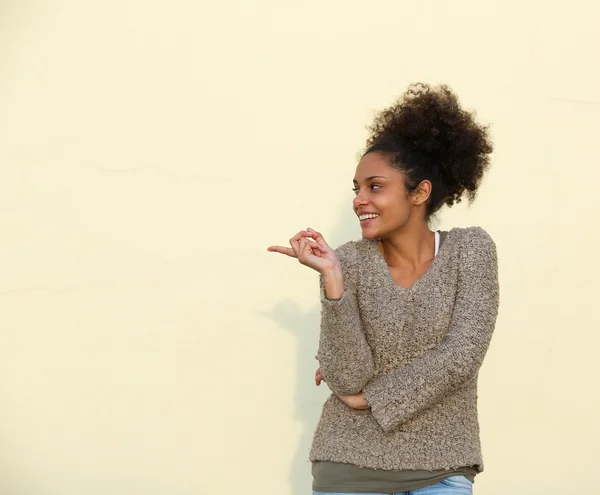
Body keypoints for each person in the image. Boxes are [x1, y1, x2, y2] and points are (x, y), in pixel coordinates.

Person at [267, 83, 499, 495]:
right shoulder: (349, 261)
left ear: (420, 192)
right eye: (356, 188)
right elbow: (345, 377)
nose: (359, 200)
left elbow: (462, 354)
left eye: (374, 186)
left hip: (442, 467)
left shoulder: (470, 250)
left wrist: (372, 398)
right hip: (348, 462)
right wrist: (333, 280)